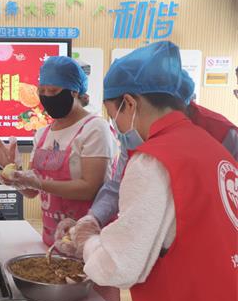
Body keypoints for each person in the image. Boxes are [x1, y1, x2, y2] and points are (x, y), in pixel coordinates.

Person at [71, 41, 236, 301]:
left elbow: (118, 266)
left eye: (113, 112)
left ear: (130, 102)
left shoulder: (155, 160)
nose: (115, 124)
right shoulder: (211, 146)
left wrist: (88, 241)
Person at [0, 56, 119, 301]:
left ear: (75, 91)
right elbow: (33, 193)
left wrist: (38, 182)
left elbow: (90, 187)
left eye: (54, 91)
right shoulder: (43, 133)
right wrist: (12, 171)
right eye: (42, 91)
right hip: (52, 242)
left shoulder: (94, 128)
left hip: (89, 247)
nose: (47, 97)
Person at [81, 69, 238, 228]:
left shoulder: (222, 134)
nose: (116, 125)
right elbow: (117, 186)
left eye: (112, 116)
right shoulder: (136, 134)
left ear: (130, 104)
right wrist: (93, 218)